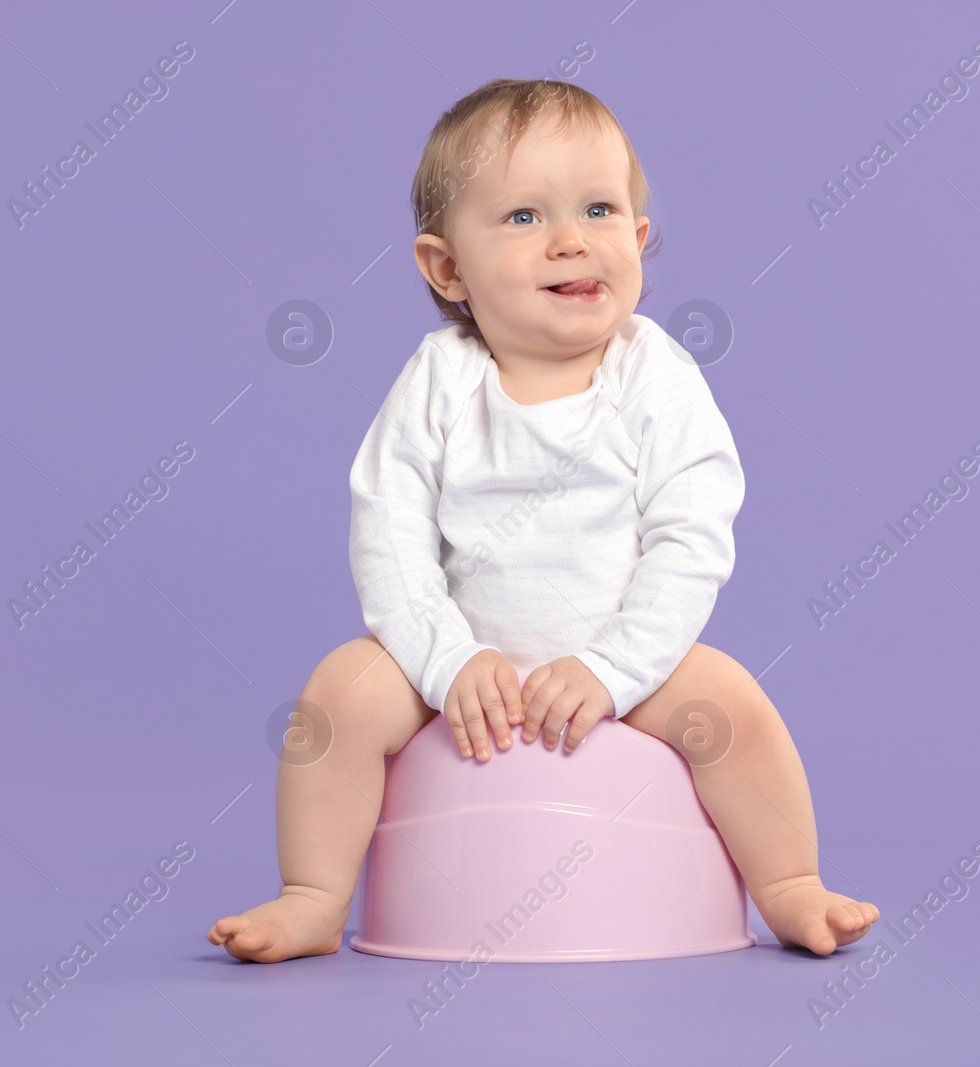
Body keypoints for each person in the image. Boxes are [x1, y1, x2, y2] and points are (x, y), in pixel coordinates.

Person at [208, 77, 878, 963]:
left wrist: (617, 666)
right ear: (447, 268)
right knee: (335, 698)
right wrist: (446, 660)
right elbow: (390, 530)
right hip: (457, 663)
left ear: (638, 240)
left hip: (626, 658)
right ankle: (315, 896)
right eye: (524, 217)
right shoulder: (440, 377)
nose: (571, 239)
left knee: (734, 709)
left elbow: (692, 536)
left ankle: (790, 884)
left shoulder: (654, 375)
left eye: (601, 209)